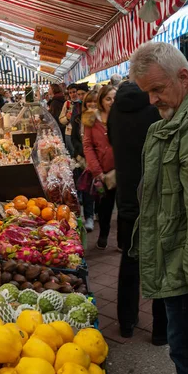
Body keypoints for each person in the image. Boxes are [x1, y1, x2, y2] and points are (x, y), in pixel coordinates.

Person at [129, 42, 188, 374]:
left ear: (183, 77)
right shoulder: (164, 126)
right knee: (182, 349)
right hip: (172, 257)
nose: (152, 101)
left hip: (185, 267)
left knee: (185, 349)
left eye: (157, 90)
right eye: (147, 93)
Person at [107, 81, 167, 341]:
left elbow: (112, 141)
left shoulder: (115, 111)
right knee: (160, 261)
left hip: (127, 196)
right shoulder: (154, 110)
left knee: (130, 259)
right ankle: (161, 331)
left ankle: (126, 322)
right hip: (155, 194)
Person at [83, 85, 116, 249]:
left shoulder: (121, 116)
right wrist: (97, 171)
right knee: (104, 207)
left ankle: (123, 241)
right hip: (102, 171)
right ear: (102, 100)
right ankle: (103, 234)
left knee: (124, 207)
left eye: (114, 98)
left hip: (121, 169)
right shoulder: (90, 118)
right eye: (108, 98)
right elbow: (88, 146)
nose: (112, 102)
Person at [72, 90, 97, 232]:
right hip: (83, 159)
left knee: (100, 189)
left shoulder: (104, 118)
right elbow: (74, 139)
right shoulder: (78, 118)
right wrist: (82, 151)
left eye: (95, 101)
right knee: (87, 188)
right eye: (89, 101)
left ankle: (97, 212)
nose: (92, 104)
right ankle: (89, 216)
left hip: (99, 159)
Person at [59, 83, 79, 155]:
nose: (72, 94)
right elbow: (61, 119)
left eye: (74, 92)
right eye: (70, 93)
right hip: (69, 133)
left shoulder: (82, 102)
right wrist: (67, 118)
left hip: (80, 133)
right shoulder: (67, 103)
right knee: (71, 154)